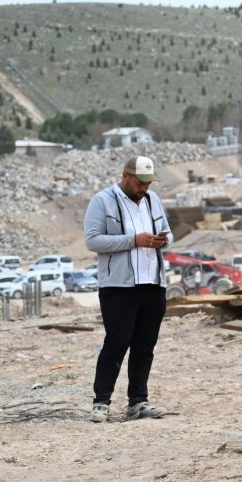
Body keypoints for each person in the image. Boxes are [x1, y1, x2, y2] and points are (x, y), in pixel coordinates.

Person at [83, 155, 172, 423]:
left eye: (148, 183)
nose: (144, 188)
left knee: (145, 346)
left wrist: (162, 241)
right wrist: (134, 240)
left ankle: (138, 402)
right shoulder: (102, 200)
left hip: (153, 283)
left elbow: (168, 232)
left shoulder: (153, 199)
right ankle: (101, 402)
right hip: (118, 286)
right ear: (125, 176)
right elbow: (92, 241)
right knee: (116, 343)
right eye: (139, 183)